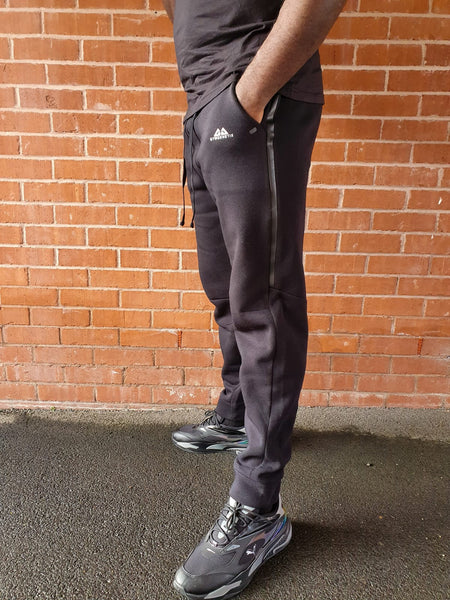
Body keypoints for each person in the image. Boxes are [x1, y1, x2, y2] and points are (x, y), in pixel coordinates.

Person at [161, 1, 346, 598]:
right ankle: (239, 414)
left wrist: (247, 98)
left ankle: (259, 507)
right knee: (224, 287)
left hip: (250, 96)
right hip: (206, 104)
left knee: (263, 303)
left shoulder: (249, 97)